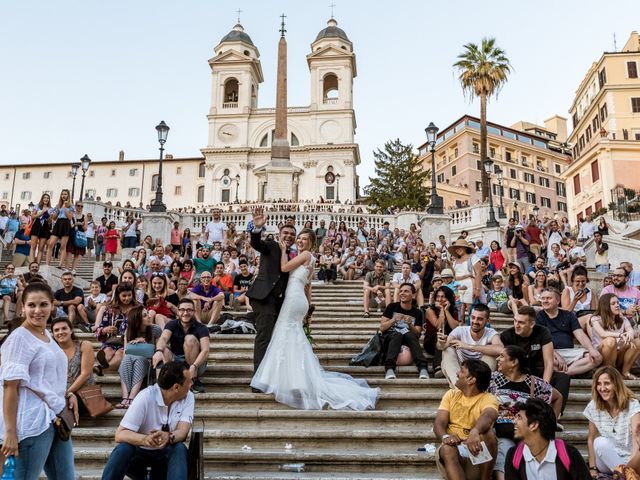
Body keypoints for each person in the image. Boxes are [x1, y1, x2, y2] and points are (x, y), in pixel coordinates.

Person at [251, 228, 379, 410]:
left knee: (284, 334)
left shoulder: (305, 255)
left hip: (293, 300)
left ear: (311, 242)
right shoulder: (309, 259)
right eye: (299, 238)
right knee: (293, 337)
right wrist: (308, 309)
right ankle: (293, 377)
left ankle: (277, 378)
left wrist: (282, 250)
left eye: (304, 239)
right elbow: (308, 287)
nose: (300, 241)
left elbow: (283, 268)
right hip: (299, 300)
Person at [0, 282, 78, 479]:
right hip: (31, 421)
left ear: (52, 305)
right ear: (23, 307)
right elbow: (10, 386)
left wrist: (68, 394)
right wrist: (10, 432)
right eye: (31, 305)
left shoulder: (48, 336)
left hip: (55, 417)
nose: (37, 311)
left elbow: (46, 378)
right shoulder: (19, 338)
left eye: (43, 304)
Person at [100, 361, 194, 480]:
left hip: (167, 460)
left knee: (179, 448)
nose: (191, 384)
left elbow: (183, 431)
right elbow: (120, 434)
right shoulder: (145, 397)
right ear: (176, 387)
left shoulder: (188, 396)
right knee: (123, 449)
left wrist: (169, 436)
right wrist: (145, 439)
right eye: (189, 381)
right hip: (141, 458)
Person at [246, 208, 295, 378]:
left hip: (279, 302)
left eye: (291, 234)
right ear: (279, 234)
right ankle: (258, 378)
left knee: (275, 338)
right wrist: (257, 228)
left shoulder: (292, 255)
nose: (288, 236)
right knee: (264, 337)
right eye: (285, 233)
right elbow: (256, 244)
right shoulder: (271, 245)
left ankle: (273, 374)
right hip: (264, 297)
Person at [434, 359, 499, 480]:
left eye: (462, 371)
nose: (457, 373)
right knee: (447, 449)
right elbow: (439, 423)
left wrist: (474, 432)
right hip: (454, 456)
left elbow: (489, 415)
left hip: (477, 456)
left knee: (487, 434)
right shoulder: (451, 394)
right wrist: (446, 437)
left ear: (471, 380)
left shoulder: (489, 398)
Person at [501, 306, 571, 417]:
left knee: (563, 377)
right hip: (519, 375)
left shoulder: (542, 332)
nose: (516, 325)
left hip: (538, 372)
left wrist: (544, 387)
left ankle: (555, 416)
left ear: (532, 324)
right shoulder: (507, 335)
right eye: (515, 321)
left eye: (521, 323)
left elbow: (549, 362)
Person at [504, 398, 590, 479]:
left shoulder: (569, 454)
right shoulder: (514, 455)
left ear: (534, 425)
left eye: (519, 417)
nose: (513, 421)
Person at [583, 366, 640, 477]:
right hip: (606, 458)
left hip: (630, 459)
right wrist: (593, 469)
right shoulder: (593, 406)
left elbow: (635, 439)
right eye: (599, 384)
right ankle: (626, 476)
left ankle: (624, 474)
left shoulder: (633, 405)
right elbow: (591, 439)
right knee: (599, 442)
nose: (602, 388)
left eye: (607, 383)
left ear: (616, 384)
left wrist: (629, 467)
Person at [536, 288, 602, 376]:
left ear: (557, 301)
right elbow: (542, 342)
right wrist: (557, 357)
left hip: (569, 352)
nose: (545, 301)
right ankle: (573, 371)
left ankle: (566, 373)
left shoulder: (568, 315)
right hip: (551, 352)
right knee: (552, 363)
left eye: (548, 298)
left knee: (597, 358)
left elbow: (580, 334)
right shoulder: (539, 316)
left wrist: (591, 349)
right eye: (543, 298)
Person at [437, 304, 503, 388]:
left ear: (488, 321)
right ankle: (459, 387)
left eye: (480, 319)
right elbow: (442, 346)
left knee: (492, 356)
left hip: (479, 371)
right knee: (447, 350)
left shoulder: (491, 333)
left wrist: (469, 346)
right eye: (473, 317)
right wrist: (441, 343)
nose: (475, 321)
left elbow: (500, 349)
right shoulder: (460, 330)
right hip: (459, 370)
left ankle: (476, 387)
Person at [153, 299, 209, 394]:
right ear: (178, 311)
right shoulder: (172, 324)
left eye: (189, 310)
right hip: (177, 361)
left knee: (190, 339)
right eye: (182, 310)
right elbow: (163, 338)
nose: (185, 313)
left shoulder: (201, 327)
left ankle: (193, 380)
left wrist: (194, 366)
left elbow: (205, 350)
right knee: (164, 350)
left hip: (196, 364)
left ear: (194, 312)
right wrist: (158, 351)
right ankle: (164, 382)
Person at [379, 283, 430, 380]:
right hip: (390, 339)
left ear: (414, 295)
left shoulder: (417, 312)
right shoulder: (392, 307)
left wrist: (410, 325)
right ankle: (389, 369)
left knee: (409, 335)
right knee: (397, 335)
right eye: (401, 291)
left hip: (407, 340)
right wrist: (393, 320)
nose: (402, 293)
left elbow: (417, 334)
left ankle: (423, 368)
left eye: (406, 291)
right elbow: (382, 328)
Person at [118, 305, 162, 407]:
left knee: (139, 359)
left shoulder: (155, 329)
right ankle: (125, 398)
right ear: (137, 320)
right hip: (130, 362)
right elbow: (126, 352)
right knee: (126, 359)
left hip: (149, 362)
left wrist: (144, 342)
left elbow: (159, 350)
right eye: (145, 315)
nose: (149, 316)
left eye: (147, 314)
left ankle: (132, 398)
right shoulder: (128, 331)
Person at [590, 293, 640, 379]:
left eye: (617, 303)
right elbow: (603, 334)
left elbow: (630, 330)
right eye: (613, 304)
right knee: (610, 340)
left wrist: (630, 335)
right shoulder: (595, 319)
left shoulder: (623, 319)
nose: (617, 305)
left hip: (618, 354)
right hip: (602, 357)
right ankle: (610, 373)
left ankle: (625, 372)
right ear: (605, 306)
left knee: (638, 342)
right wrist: (620, 335)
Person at [94, 282, 137, 376]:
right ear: (118, 295)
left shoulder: (137, 309)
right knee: (108, 351)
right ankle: (102, 366)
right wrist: (105, 329)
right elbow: (99, 328)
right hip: (111, 340)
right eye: (124, 296)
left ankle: (101, 369)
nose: (127, 298)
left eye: (129, 295)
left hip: (128, 342)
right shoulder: (110, 309)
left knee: (120, 353)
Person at [51, 316, 95, 395]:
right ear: (53, 334)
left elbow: (85, 374)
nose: (60, 332)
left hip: (84, 395)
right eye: (56, 330)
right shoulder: (52, 351)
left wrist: (67, 393)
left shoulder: (84, 345)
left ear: (71, 330)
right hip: (61, 393)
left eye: (64, 328)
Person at [449, 239, 482, 322]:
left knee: (471, 307)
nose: (458, 249)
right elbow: (454, 275)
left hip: (471, 284)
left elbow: (478, 273)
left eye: (460, 247)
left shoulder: (473, 257)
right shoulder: (455, 261)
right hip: (458, 286)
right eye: (456, 248)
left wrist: (477, 289)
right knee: (459, 307)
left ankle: (473, 324)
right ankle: (461, 324)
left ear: (465, 248)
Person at [46, 189, 74, 267]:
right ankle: (47, 264)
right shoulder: (58, 204)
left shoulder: (71, 206)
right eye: (62, 194)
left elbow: (69, 217)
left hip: (66, 223)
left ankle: (60, 264)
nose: (63, 196)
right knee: (51, 244)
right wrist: (57, 210)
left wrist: (65, 207)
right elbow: (54, 218)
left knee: (63, 246)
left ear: (68, 195)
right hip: (58, 223)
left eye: (65, 194)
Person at [29, 193, 53, 264]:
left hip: (45, 226)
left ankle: (38, 264)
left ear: (49, 200)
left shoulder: (51, 209)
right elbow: (33, 217)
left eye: (47, 198)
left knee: (41, 248)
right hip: (37, 224)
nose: (46, 199)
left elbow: (50, 221)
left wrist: (48, 216)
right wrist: (42, 212)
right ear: (42, 199)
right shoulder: (37, 206)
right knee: (33, 246)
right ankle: (32, 263)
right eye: (45, 198)